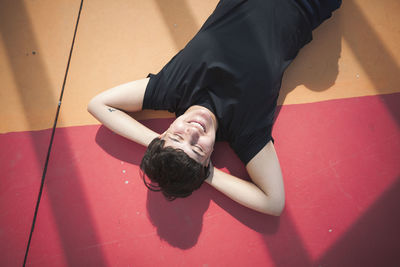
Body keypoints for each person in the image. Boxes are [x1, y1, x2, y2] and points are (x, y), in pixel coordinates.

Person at [88, 0, 341, 216]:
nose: (193, 131)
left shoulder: (172, 89)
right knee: (323, 82)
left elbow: (98, 104)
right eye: (197, 148)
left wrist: (159, 144)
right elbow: (274, 203)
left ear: (166, 132)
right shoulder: (245, 130)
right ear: (208, 158)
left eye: (178, 136)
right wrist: (206, 175)